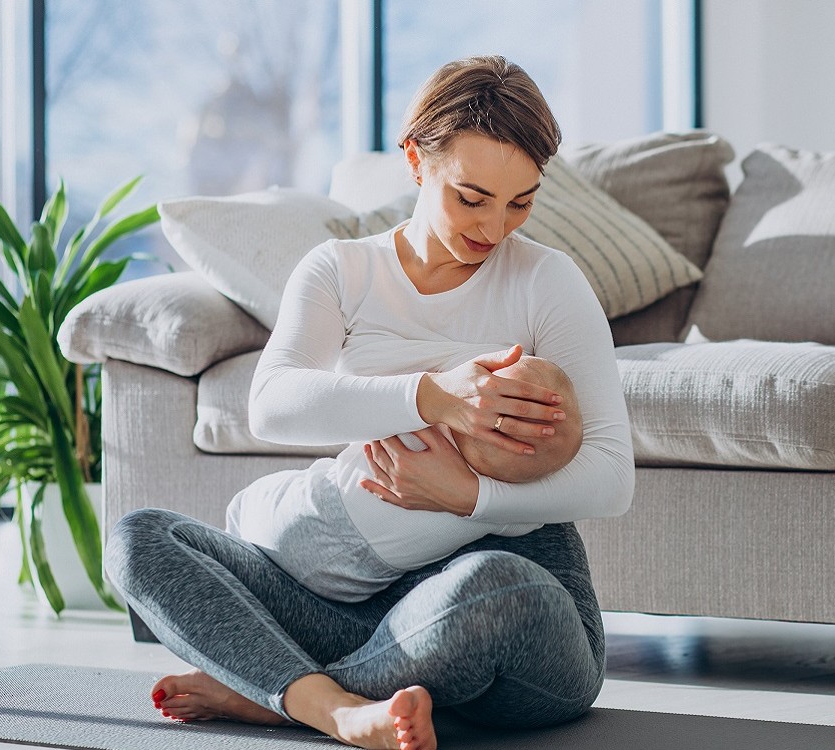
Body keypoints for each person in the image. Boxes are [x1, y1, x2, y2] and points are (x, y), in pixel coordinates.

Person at [104, 55, 633, 750]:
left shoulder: (546, 281)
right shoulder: (344, 270)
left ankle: (281, 693)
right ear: (415, 160)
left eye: (521, 201)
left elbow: (612, 477)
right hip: (351, 602)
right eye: (471, 198)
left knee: (500, 586)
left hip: (505, 618)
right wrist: (434, 398)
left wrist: (467, 495)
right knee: (139, 538)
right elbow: (273, 402)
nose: (496, 227)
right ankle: (337, 705)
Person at [226, 352, 584, 602]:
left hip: (308, 510)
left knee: (241, 510)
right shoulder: (508, 517)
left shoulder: (422, 430)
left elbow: (374, 402)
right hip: (351, 585)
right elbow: (533, 515)